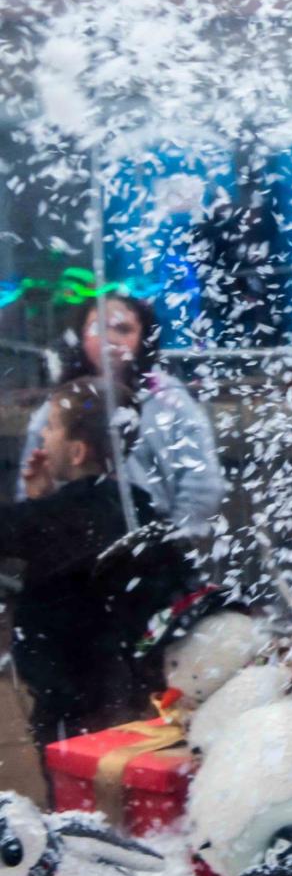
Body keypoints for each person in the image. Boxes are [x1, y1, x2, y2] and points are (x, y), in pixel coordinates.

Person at [2, 378, 157, 755]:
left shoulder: (57, 515)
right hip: (127, 680)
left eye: (51, 427)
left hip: (66, 683)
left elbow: (18, 530)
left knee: (71, 771)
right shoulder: (137, 504)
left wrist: (40, 506)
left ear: (76, 452)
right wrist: (45, 500)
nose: (42, 437)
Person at [17, 295, 223, 531]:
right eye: (98, 328)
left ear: (143, 337)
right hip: (72, 538)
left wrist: (175, 537)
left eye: (123, 329)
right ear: (80, 336)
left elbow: (202, 480)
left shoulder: (168, 398)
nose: (110, 339)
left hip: (153, 537)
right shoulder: (62, 400)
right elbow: (31, 472)